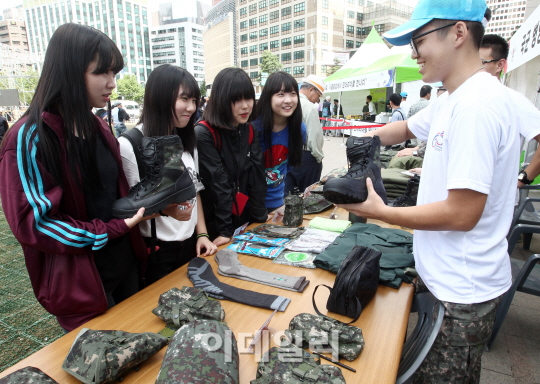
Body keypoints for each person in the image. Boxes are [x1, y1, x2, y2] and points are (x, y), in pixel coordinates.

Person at [340, 1, 519, 382]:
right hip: (446, 276)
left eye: (419, 39)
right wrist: (364, 140)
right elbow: (404, 130)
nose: (413, 52)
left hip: (461, 291)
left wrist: (381, 211)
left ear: (457, 33)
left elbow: (462, 213)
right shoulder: (454, 97)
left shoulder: (477, 106)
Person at [0, 23, 149, 332]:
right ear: (69, 69)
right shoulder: (29, 137)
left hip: (127, 268)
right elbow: (34, 222)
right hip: (81, 287)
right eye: (102, 73)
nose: (111, 84)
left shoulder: (98, 126)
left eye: (114, 73)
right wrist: (110, 229)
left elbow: (112, 195)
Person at [118, 65, 217, 285]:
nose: (192, 108)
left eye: (195, 100)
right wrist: (166, 211)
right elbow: (129, 211)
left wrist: (202, 234)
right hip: (158, 252)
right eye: (184, 99)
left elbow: (195, 191)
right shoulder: (131, 144)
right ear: (160, 97)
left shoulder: (185, 138)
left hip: (190, 246)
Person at [195, 67, 268, 246]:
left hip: (241, 217)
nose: (245, 106)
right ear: (221, 100)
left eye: (248, 98)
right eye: (236, 100)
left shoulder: (249, 129)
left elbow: (257, 177)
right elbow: (218, 184)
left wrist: (260, 218)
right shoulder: (204, 132)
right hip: (214, 223)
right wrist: (225, 230)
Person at [480, 34, 540, 190]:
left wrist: (524, 178)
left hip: (495, 203)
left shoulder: (514, 101)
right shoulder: (460, 98)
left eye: (481, 63)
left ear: (500, 65)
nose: (473, 68)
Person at [252, 71, 306, 211]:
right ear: (268, 97)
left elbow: (288, 166)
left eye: (293, 94)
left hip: (277, 204)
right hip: (249, 207)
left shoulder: (299, 130)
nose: (288, 100)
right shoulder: (253, 128)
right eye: (281, 94)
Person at [285, 74, 326, 194]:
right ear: (311, 89)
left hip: (287, 155)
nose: (317, 99)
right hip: (306, 157)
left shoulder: (287, 103)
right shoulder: (310, 107)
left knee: (288, 196)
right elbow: (314, 137)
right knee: (307, 196)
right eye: (318, 95)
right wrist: (318, 158)